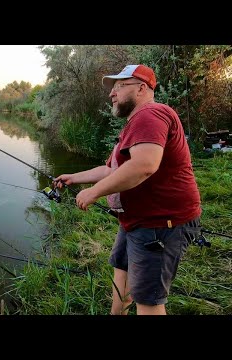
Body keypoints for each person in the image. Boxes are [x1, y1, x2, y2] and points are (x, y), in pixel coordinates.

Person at [54, 64, 202, 315]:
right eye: (112, 88)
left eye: (120, 86)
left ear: (142, 88)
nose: (112, 93)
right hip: (136, 222)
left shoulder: (150, 114)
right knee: (121, 272)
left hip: (160, 225)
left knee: (148, 300)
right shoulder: (135, 125)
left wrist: (94, 192)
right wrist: (74, 178)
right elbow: (112, 170)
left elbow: (144, 165)